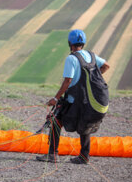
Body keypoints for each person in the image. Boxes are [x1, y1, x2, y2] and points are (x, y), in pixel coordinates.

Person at [36, 29, 109, 164]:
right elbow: (106, 66)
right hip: (88, 102)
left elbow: (68, 81)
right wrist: (92, 82)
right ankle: (84, 156)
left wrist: (56, 98)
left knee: (55, 119)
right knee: (85, 124)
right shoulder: (91, 55)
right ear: (83, 43)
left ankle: (52, 154)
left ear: (70, 43)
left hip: (74, 102)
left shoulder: (72, 58)